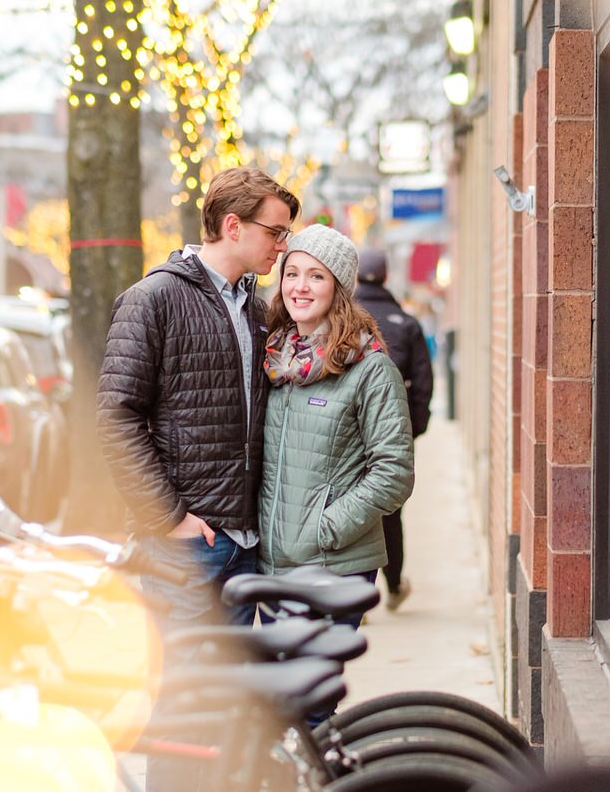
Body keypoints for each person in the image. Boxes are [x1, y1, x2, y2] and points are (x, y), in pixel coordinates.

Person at [97, 167, 300, 630]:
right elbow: (116, 417)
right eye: (275, 232)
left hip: (248, 546)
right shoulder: (153, 299)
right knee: (183, 690)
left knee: (231, 695)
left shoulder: (256, 307)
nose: (282, 245)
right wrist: (169, 518)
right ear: (233, 226)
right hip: (184, 546)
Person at [258, 224, 415, 626]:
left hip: (335, 563)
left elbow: (394, 472)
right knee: (281, 687)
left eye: (316, 276)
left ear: (339, 288)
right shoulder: (274, 361)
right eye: (292, 274)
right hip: (273, 563)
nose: (300, 287)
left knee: (310, 682)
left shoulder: (369, 367)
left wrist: (325, 528)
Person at [355, 247, 434, 611]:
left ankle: (356, 598)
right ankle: (394, 588)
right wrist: (412, 430)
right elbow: (423, 382)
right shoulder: (407, 324)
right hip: (391, 432)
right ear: (386, 277)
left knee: (351, 506)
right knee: (389, 511)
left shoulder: (344, 318)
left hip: (349, 431)